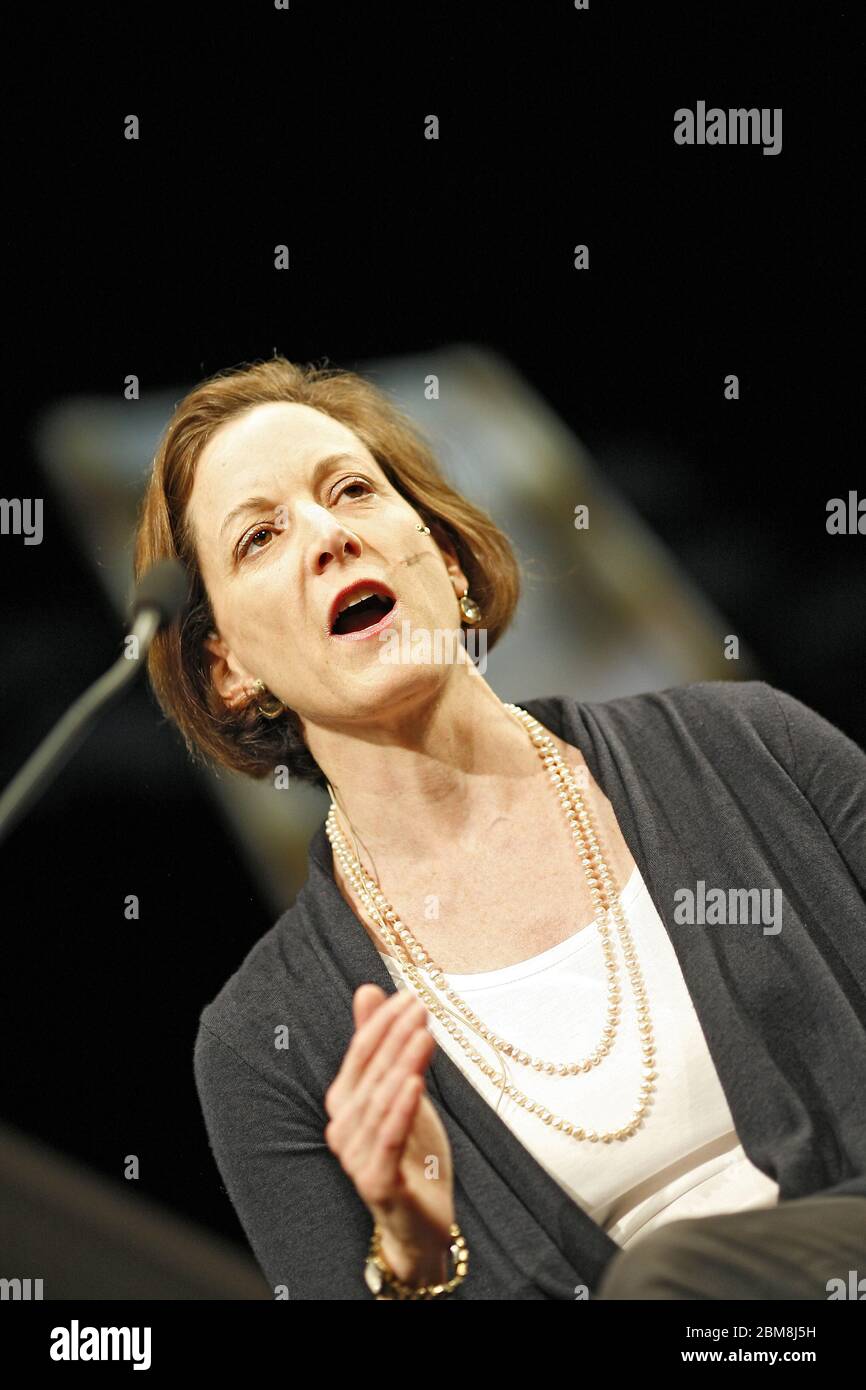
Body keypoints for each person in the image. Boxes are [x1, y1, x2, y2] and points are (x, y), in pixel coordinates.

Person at [133, 356, 866, 1299]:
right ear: (230, 666)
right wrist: (413, 1256)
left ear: (440, 553)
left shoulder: (746, 746)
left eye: (351, 489)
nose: (327, 536)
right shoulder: (266, 1044)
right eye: (261, 537)